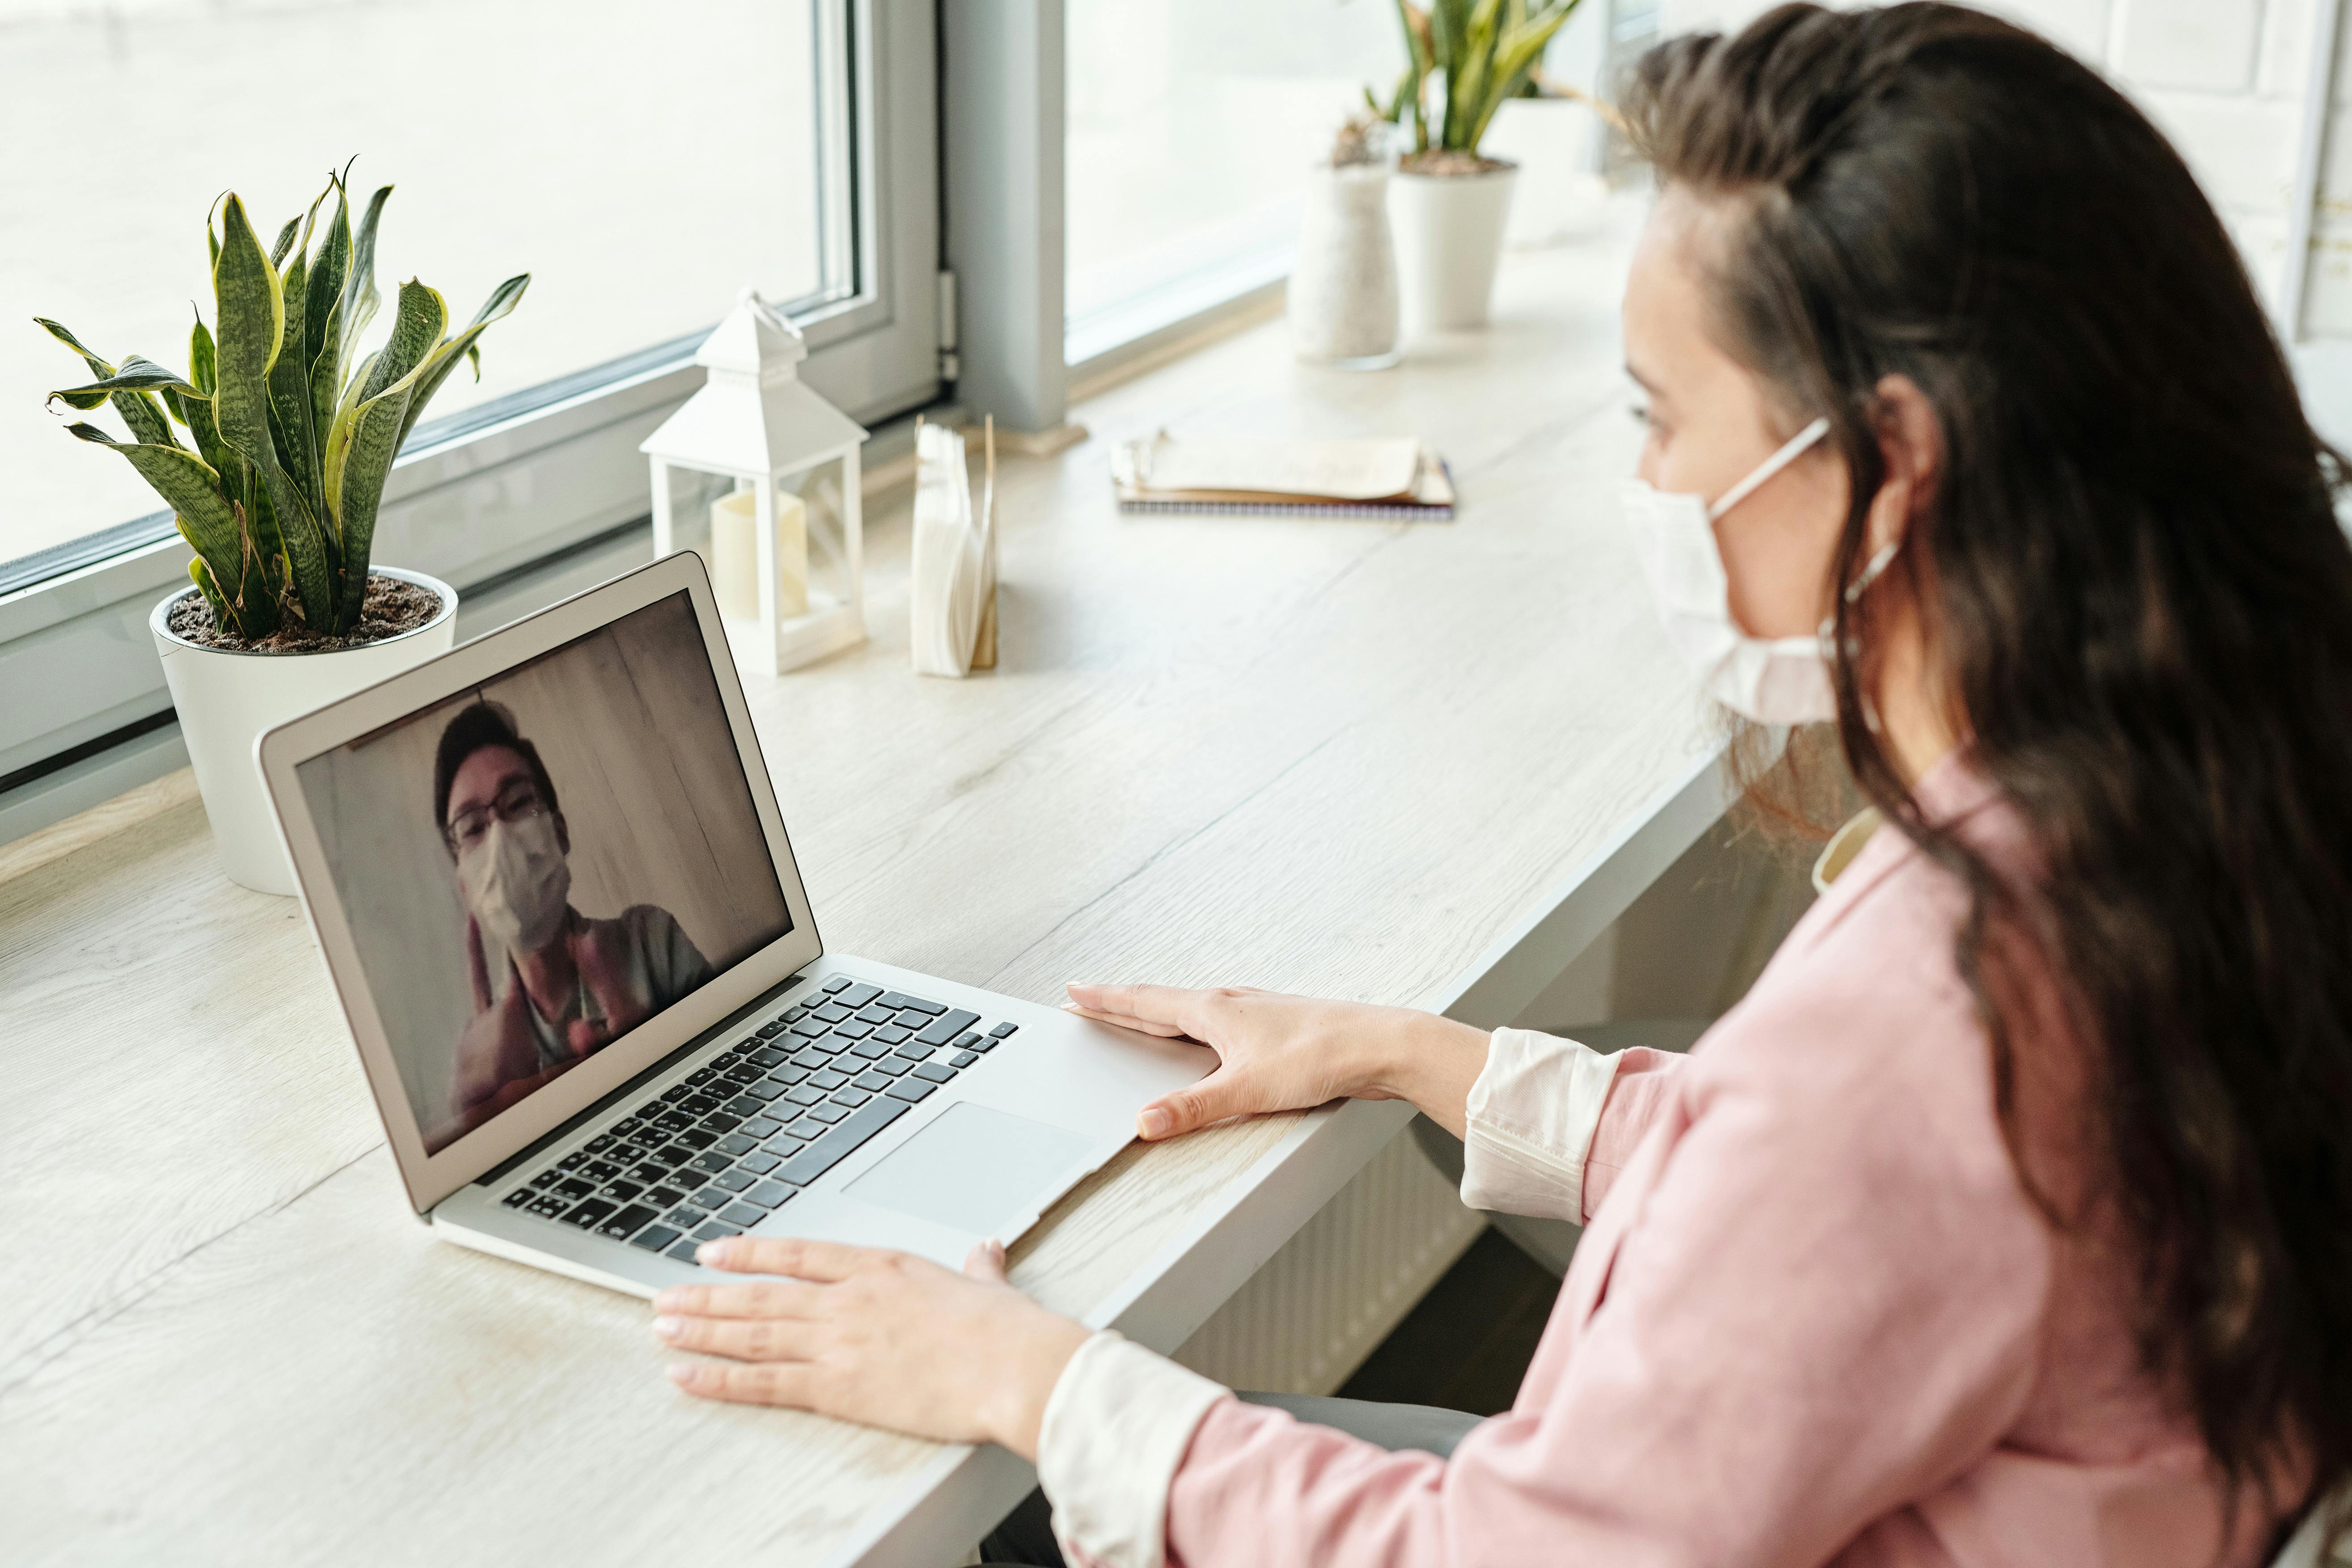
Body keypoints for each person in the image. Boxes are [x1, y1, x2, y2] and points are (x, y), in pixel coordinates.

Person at [638, 5, 2352, 1564]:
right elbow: (1847, 1214)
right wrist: (1414, 1053)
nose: (1648, 479)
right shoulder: (2189, 802)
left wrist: (1035, 1379)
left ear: (1890, 467)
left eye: (1661, 415)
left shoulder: (1941, 1008)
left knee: (1002, 1524)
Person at [436, 701, 713, 1133]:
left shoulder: (651, 941)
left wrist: (654, 1058)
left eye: (518, 801)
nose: (500, 837)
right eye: (472, 827)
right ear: (465, 886)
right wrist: (475, 1121)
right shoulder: (479, 1057)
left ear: (560, 832)